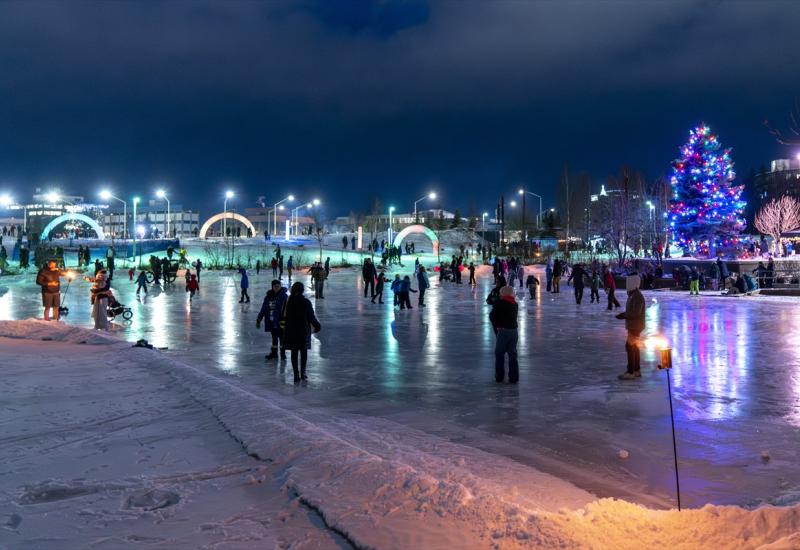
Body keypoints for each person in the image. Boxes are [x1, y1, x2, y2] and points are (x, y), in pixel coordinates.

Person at [282, 281, 321, 382]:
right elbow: (311, 317)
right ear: (302, 290)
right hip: (303, 331)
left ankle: (296, 375)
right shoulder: (306, 302)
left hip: (291, 331)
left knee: (294, 352)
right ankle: (303, 373)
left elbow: (283, 316)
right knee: (303, 352)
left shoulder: (288, 302)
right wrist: (317, 326)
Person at [616, 275, 646, 380]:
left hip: (636, 326)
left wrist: (623, 315)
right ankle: (636, 370)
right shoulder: (633, 294)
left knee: (630, 347)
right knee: (635, 347)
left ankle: (631, 371)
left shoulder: (637, 296)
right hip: (634, 325)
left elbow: (635, 313)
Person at [489, 286, 519, 383]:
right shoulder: (515, 303)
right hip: (514, 331)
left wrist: (497, 324)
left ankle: (499, 376)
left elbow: (493, 317)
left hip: (503, 331)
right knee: (513, 354)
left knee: (499, 353)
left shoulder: (499, 303)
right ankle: (514, 377)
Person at [257, 279, 288, 360]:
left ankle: (282, 354)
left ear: (280, 286)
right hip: (271, 321)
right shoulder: (268, 297)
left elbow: (288, 309)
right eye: (275, 286)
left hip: (281, 322)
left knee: (281, 338)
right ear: (272, 287)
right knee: (274, 338)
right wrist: (259, 318)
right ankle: (274, 353)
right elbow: (264, 308)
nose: (277, 288)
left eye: (278, 286)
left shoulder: (284, 296)